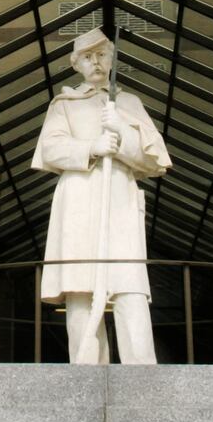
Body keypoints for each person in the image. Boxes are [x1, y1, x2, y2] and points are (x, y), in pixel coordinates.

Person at [31, 26, 171, 363]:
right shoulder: (63, 104)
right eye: (88, 57)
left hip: (119, 199)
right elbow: (50, 149)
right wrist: (91, 147)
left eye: (102, 55)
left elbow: (154, 160)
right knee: (80, 291)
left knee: (129, 287)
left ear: (111, 60)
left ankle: (141, 372)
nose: (95, 62)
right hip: (78, 200)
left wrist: (122, 134)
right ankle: (87, 369)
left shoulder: (128, 103)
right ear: (75, 63)